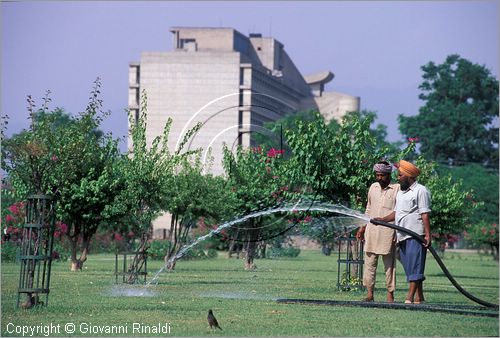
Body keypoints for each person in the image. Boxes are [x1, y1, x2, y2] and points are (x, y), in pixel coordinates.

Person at [356, 160, 400, 302]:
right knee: (369, 265)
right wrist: (362, 227)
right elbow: (368, 209)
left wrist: (397, 233)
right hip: (371, 232)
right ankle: (370, 294)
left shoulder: (397, 188)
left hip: (389, 233)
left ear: (389, 174)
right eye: (377, 175)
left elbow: (399, 212)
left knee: (389, 266)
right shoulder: (373, 187)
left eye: (382, 175)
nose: (379, 178)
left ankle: (390, 294)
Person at [391, 160, 431, 304]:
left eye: (400, 175)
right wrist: (380, 219)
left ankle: (409, 297)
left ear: (409, 176)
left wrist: (427, 235)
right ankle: (419, 297)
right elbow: (396, 213)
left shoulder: (421, 190)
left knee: (415, 266)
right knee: (411, 267)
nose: (398, 177)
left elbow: (425, 213)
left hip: (415, 235)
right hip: (402, 235)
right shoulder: (401, 193)